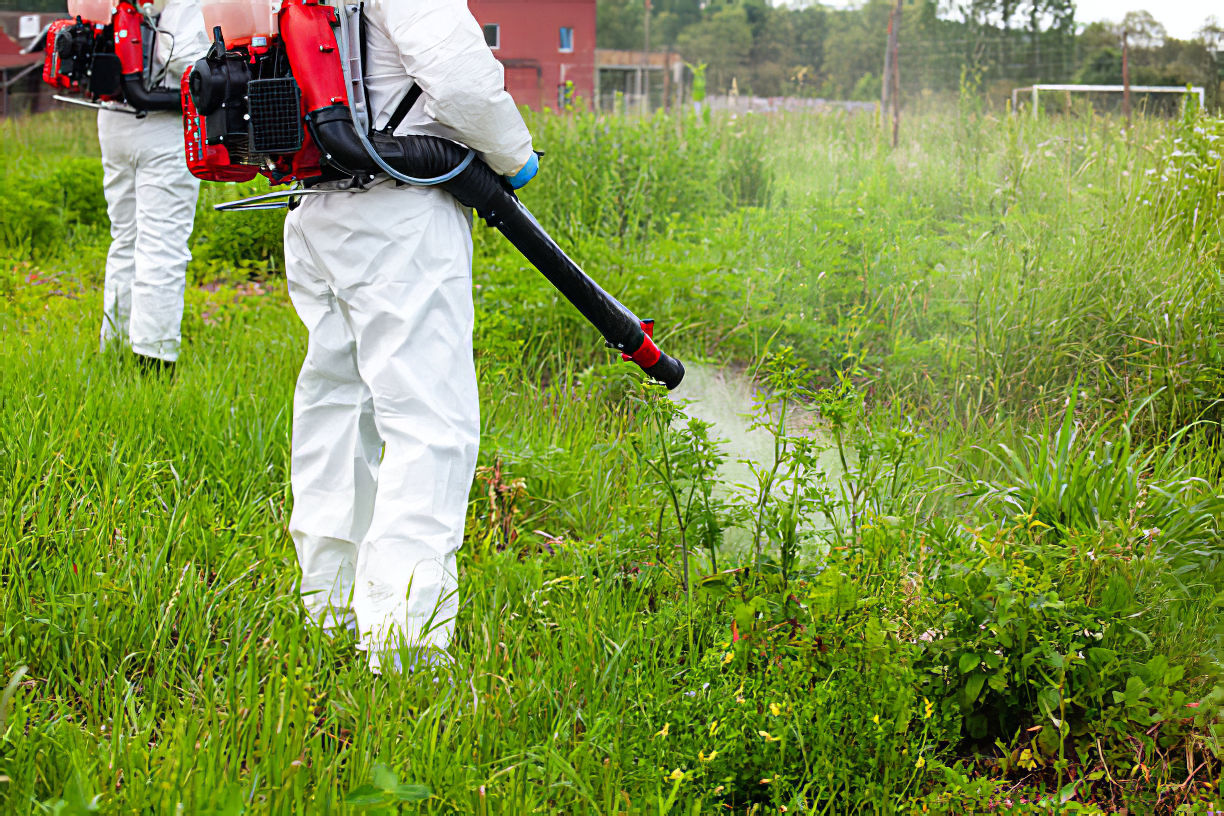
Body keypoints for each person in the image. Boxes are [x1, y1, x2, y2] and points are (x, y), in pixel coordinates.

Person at [283, 0, 538, 673]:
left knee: (336, 412)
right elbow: (460, 79)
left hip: (313, 208)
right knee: (429, 425)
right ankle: (406, 647)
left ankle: (329, 607)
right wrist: (514, 157)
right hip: (396, 213)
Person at [99, 0, 211, 372]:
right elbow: (183, 57)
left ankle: (114, 347)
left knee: (125, 237)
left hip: (113, 118)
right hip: (163, 121)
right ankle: (153, 362)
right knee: (162, 243)